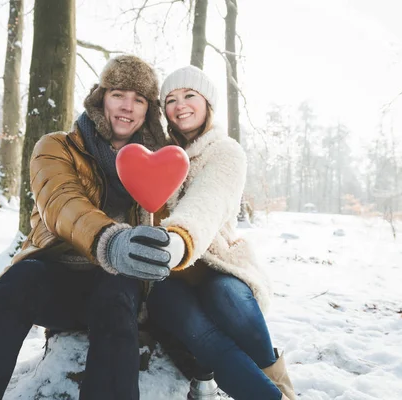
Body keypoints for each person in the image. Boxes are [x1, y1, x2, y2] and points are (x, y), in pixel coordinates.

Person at [0, 55, 181, 400]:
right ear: (100, 96)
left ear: (148, 110)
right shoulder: (57, 146)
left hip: (117, 295)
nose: (127, 107)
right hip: (58, 279)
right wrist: (111, 240)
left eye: (139, 100)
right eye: (119, 94)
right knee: (20, 279)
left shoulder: (163, 164)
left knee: (117, 288)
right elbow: (61, 201)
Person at [145, 65, 297, 400]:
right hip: (165, 273)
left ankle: (281, 388)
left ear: (207, 102)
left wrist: (177, 237)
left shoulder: (226, 151)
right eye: (170, 99)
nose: (180, 104)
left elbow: (207, 204)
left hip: (216, 261)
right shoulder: (154, 154)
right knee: (200, 332)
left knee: (229, 299)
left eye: (189, 95)